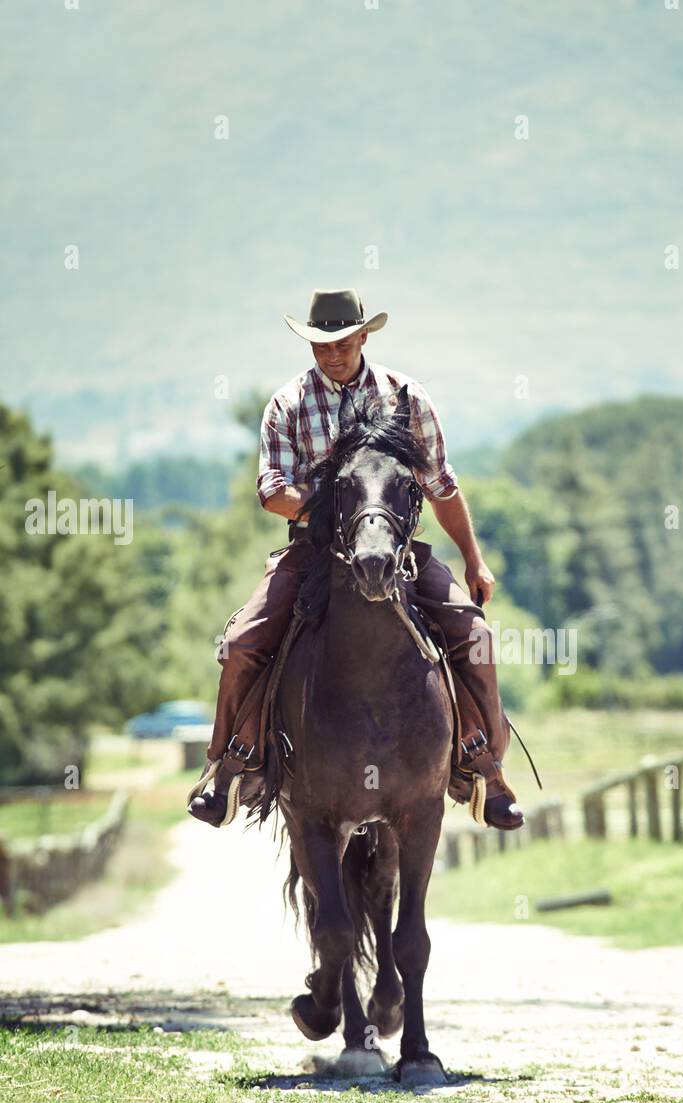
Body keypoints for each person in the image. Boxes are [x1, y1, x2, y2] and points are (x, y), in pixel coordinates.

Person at [187, 288, 524, 832]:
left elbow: (440, 484)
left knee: (475, 635)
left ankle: (484, 769)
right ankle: (229, 765)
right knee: (242, 640)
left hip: (397, 553)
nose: (331, 354)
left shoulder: (407, 397)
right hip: (314, 550)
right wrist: (338, 511)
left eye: (342, 343)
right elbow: (272, 490)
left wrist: (473, 560)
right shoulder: (288, 404)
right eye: (321, 345)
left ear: (364, 336)